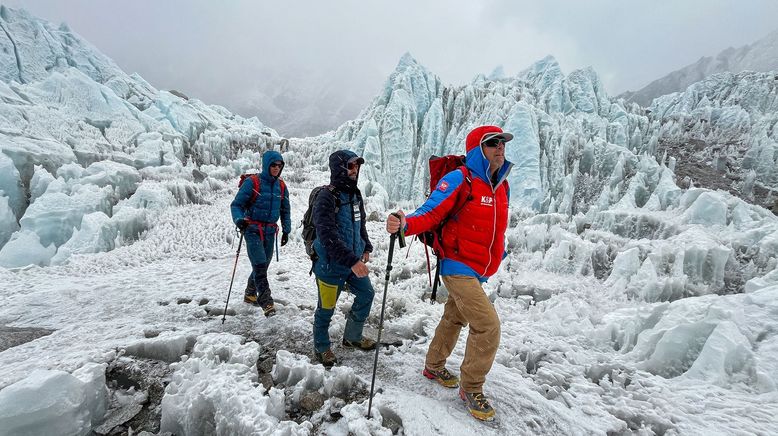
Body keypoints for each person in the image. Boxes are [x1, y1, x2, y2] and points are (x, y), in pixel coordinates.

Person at [385, 125, 513, 421]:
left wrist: (498, 254)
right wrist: (405, 224)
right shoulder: (460, 179)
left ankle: (433, 364)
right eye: (492, 143)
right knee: (488, 325)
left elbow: (496, 227)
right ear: (477, 149)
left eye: (502, 143)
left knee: (455, 316)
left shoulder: (501, 185)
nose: (500, 148)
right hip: (457, 266)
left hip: (479, 268)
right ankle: (471, 387)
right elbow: (431, 212)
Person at [311, 150, 376, 367]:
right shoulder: (326, 197)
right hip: (331, 265)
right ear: (339, 168)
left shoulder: (355, 195)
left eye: (357, 166)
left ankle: (352, 337)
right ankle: (321, 347)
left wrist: (365, 245)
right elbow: (327, 235)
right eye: (350, 166)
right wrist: (352, 261)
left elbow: (360, 224)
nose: (355, 170)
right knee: (326, 309)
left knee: (366, 294)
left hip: (352, 262)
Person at [231, 150, 291, 317]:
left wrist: (287, 230)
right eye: (273, 165)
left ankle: (250, 293)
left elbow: (285, 210)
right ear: (266, 165)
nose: (276, 168)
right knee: (259, 265)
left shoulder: (281, 186)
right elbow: (236, 205)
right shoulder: (252, 183)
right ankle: (266, 302)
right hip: (252, 230)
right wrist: (239, 220)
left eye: (280, 165)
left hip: (270, 231)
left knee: (263, 265)